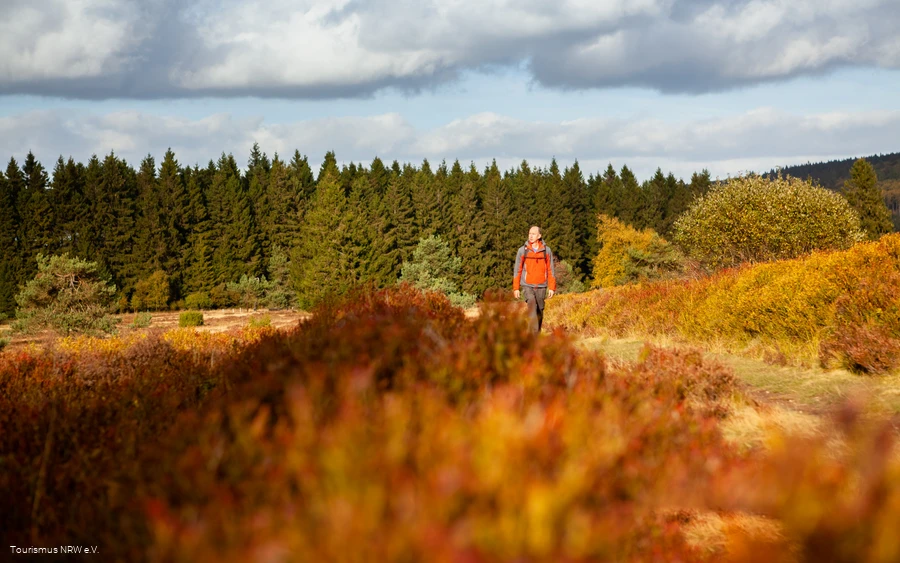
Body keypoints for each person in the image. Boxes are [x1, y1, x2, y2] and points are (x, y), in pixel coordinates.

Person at [513, 225, 556, 333]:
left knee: (539, 312)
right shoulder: (522, 251)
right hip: (527, 285)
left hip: (542, 286)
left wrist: (552, 287)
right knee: (532, 309)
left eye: (533, 234)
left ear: (539, 236)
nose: (530, 236)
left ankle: (536, 335)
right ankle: (533, 340)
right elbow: (517, 270)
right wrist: (516, 288)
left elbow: (551, 270)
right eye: (529, 234)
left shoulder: (547, 251)